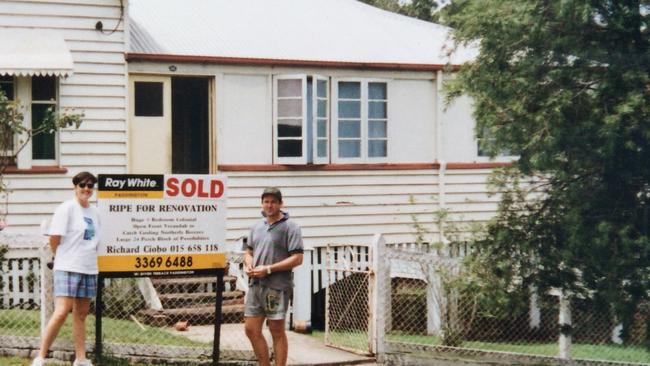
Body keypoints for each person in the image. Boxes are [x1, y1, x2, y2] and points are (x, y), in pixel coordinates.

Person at [32, 172, 100, 366]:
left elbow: (96, 239)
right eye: (82, 185)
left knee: (81, 314)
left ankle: (80, 359)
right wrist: (60, 258)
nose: (86, 189)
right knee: (61, 312)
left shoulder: (95, 212)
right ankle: (41, 357)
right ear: (75, 186)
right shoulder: (67, 208)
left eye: (90, 186)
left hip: (88, 267)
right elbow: (55, 238)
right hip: (68, 266)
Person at [244, 187, 303, 366]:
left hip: (276, 288)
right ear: (262, 203)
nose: (269, 205)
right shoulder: (256, 226)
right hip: (256, 286)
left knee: (276, 331)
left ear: (280, 204)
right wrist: (249, 264)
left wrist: (268, 269)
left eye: (273, 202)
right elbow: (249, 252)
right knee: (251, 329)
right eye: (266, 201)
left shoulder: (290, 227)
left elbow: (298, 258)